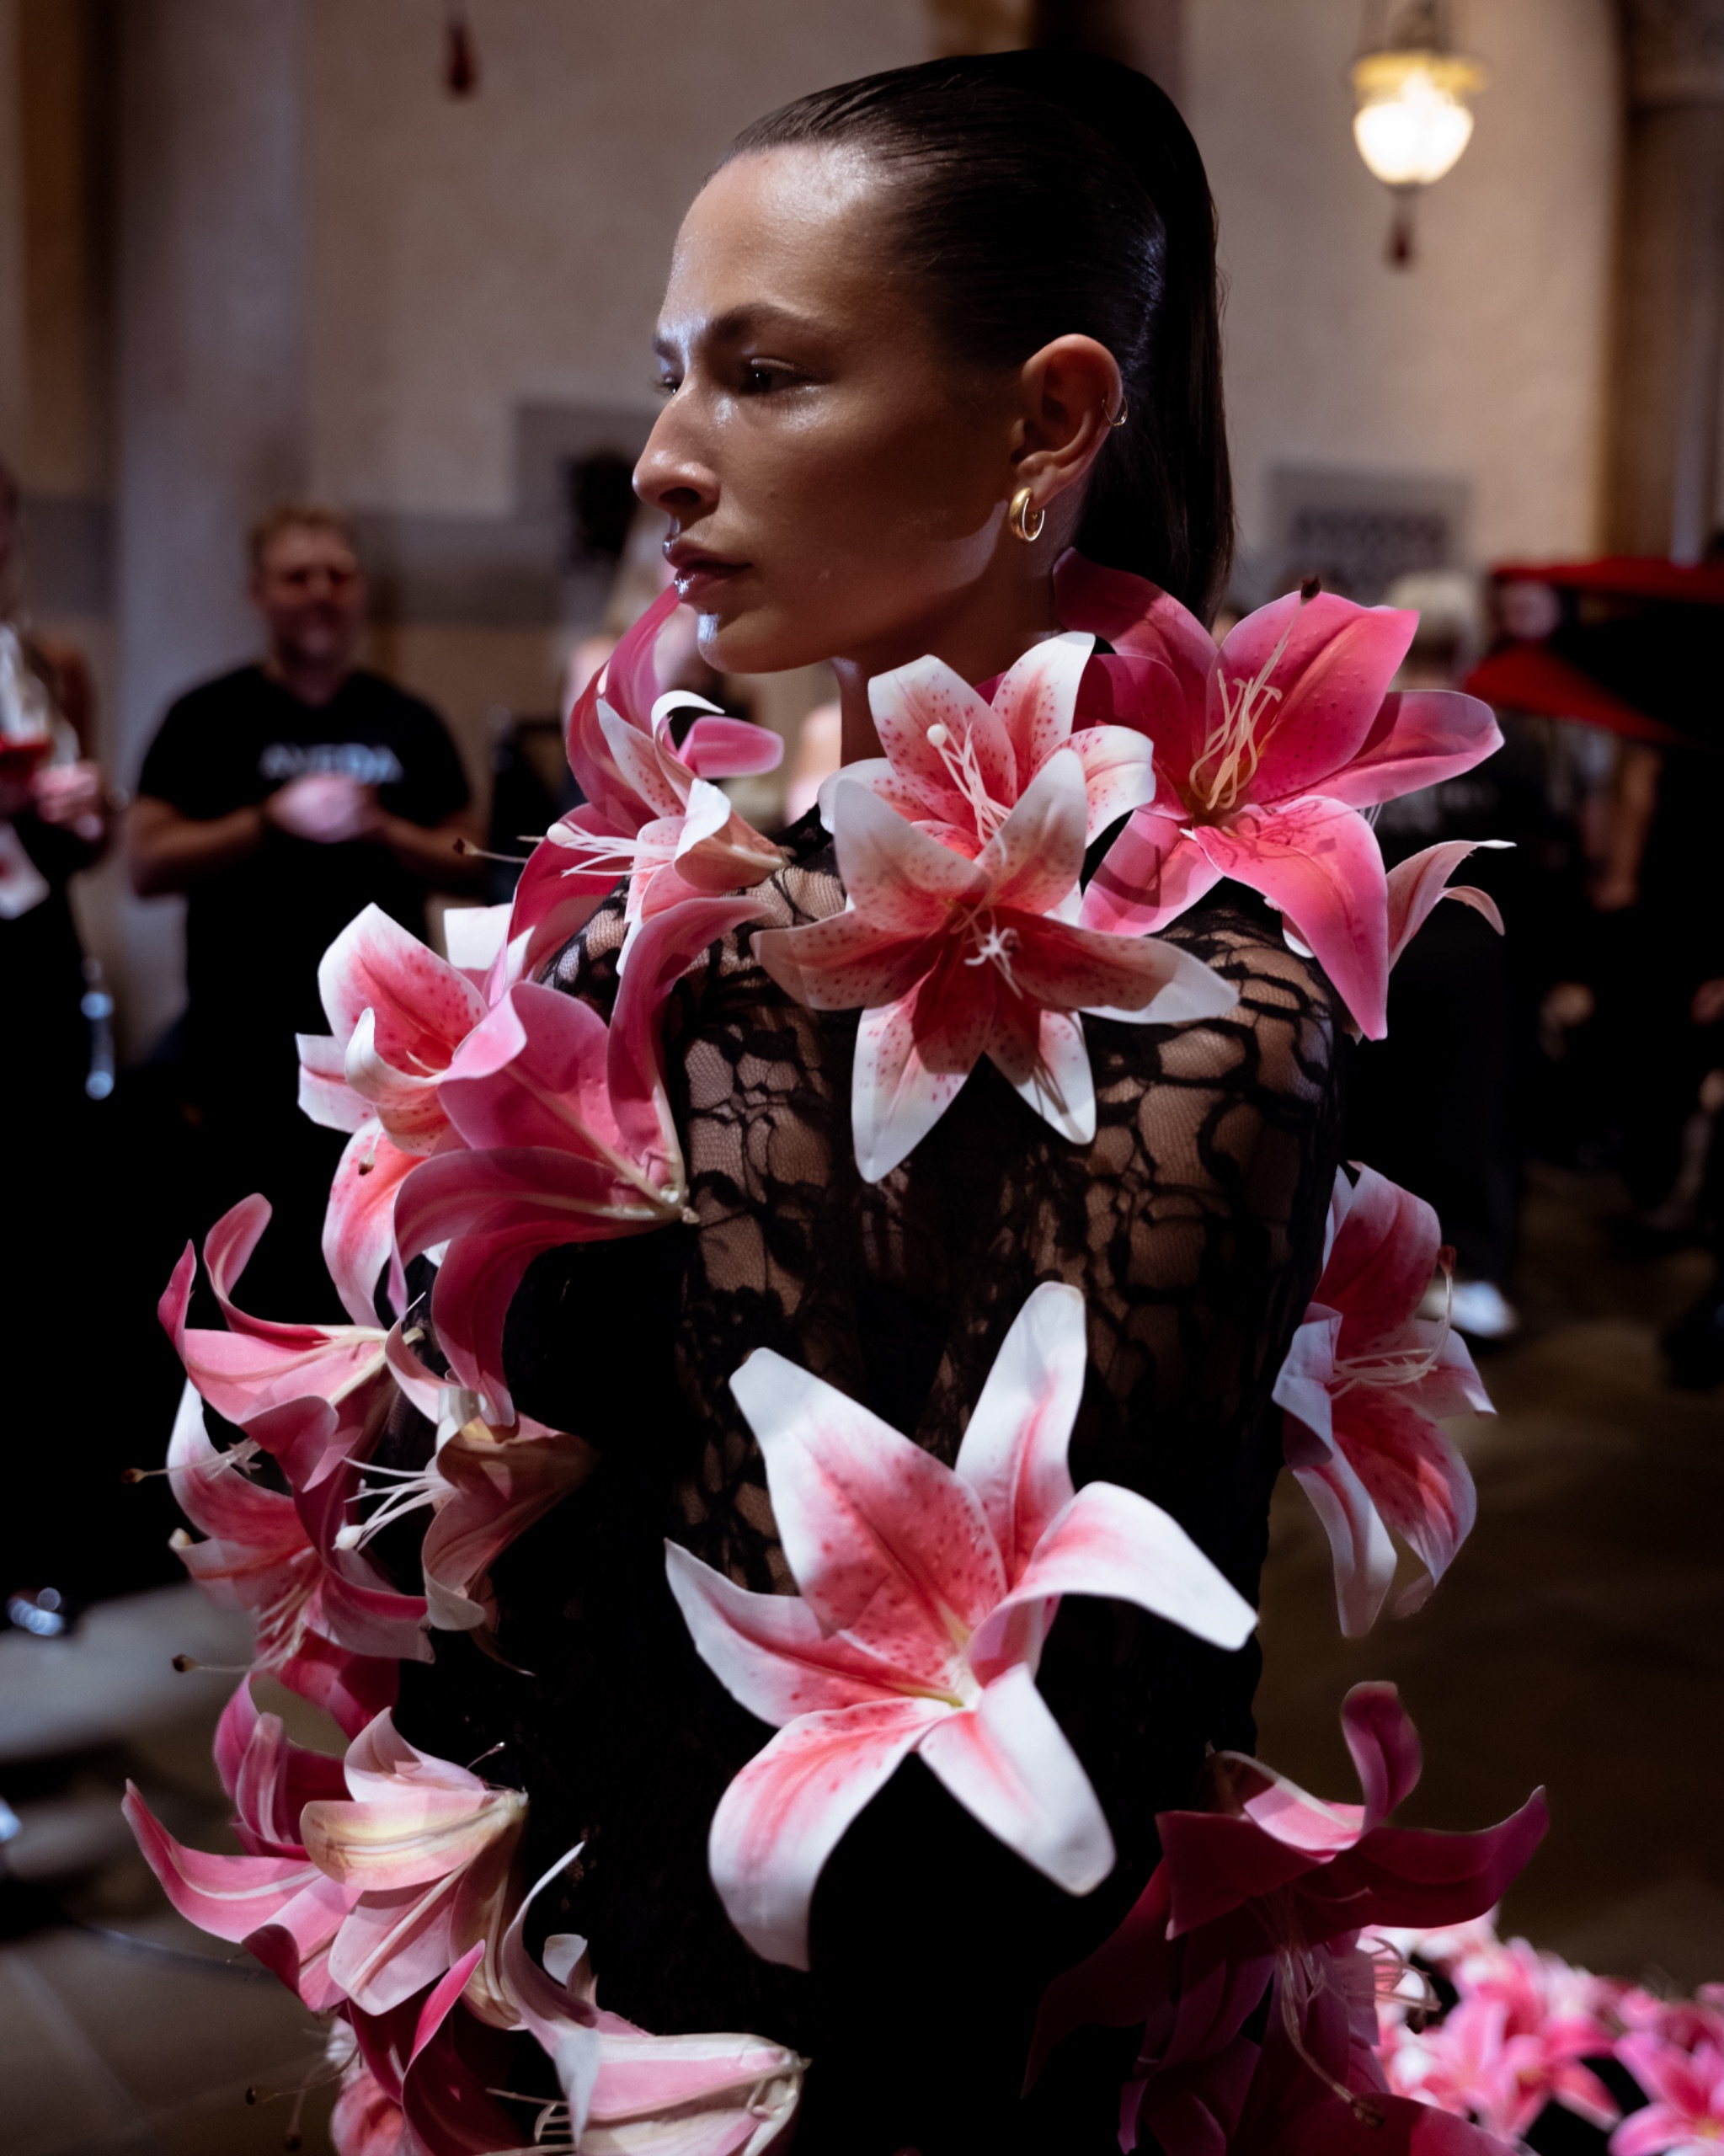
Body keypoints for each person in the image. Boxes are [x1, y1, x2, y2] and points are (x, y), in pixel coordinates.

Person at [394, 56, 1342, 2153]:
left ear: (1048, 419)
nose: (660, 458)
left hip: (893, 2067)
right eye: (670, 374)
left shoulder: (1209, 1001)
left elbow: (1023, 1802)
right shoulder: (665, 904)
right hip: (585, 1968)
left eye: (766, 373)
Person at [126, 502, 481, 1311]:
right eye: (297, 576)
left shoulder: (407, 719)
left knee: (366, 1273)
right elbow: (144, 863)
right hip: (239, 1052)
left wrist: (383, 828)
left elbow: (471, 862)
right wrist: (269, 821)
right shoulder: (206, 717)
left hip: (380, 1057)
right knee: (249, 1277)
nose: (321, 592)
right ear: (260, 592)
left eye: (338, 574)